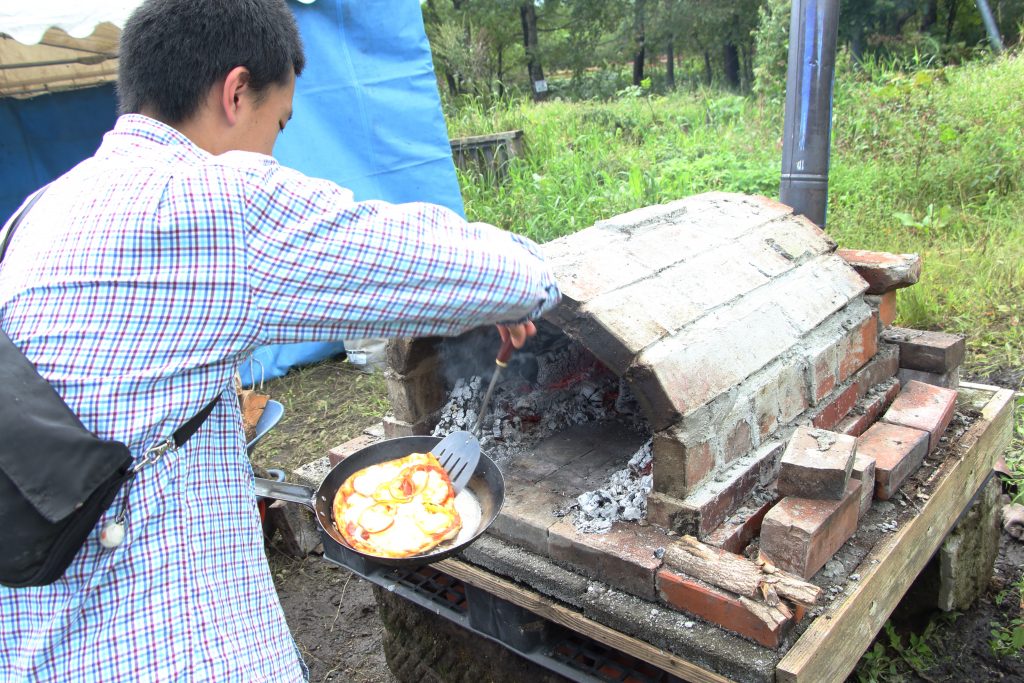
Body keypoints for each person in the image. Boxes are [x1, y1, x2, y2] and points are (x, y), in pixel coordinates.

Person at [0, 0, 559, 680]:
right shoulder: (209, 200)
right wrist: (530, 282)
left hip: (34, 634)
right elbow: (426, 257)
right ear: (236, 92)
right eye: (279, 123)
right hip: (163, 641)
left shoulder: (37, 212)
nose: (274, 151)